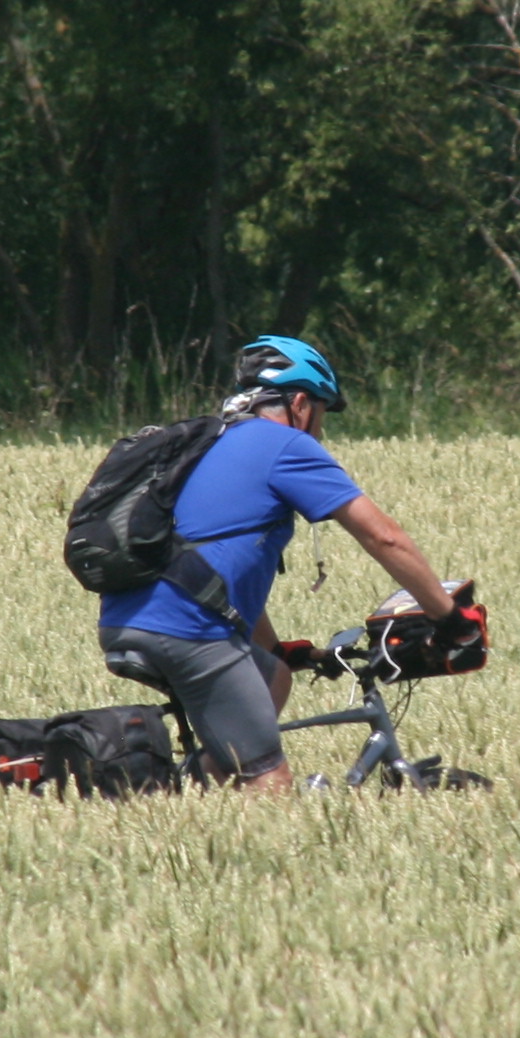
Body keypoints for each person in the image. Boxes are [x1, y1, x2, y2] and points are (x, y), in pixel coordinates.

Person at [100, 335, 458, 792]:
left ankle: (187, 792)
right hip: (186, 629)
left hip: (124, 618)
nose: (321, 431)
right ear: (302, 403)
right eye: (322, 415)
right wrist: (448, 616)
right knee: (269, 780)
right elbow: (383, 536)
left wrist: (275, 648)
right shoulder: (286, 445)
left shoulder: (208, 443)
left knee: (273, 676)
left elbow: (212, 569)